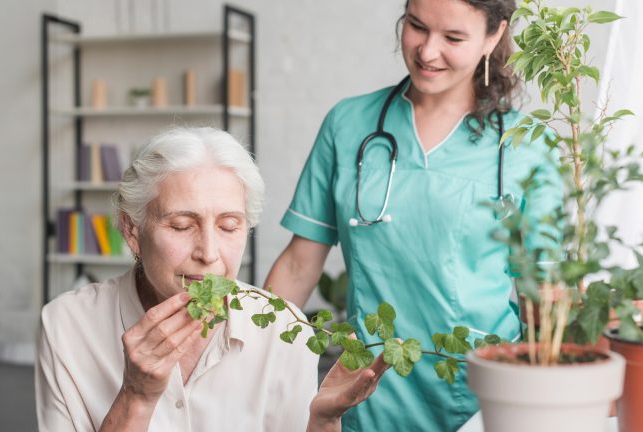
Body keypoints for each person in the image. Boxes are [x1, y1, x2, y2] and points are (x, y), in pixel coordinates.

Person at [264, 0, 562, 430]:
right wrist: (245, 358)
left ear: (493, 36)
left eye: (453, 38)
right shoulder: (348, 124)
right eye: (417, 27)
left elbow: (544, 298)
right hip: (369, 391)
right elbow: (298, 264)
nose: (426, 51)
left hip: (483, 395)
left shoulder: (527, 146)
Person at [35, 127, 388, 432]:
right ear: (131, 229)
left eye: (229, 226)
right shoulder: (66, 325)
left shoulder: (283, 327)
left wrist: (324, 423)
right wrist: (136, 397)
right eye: (181, 226)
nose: (209, 253)